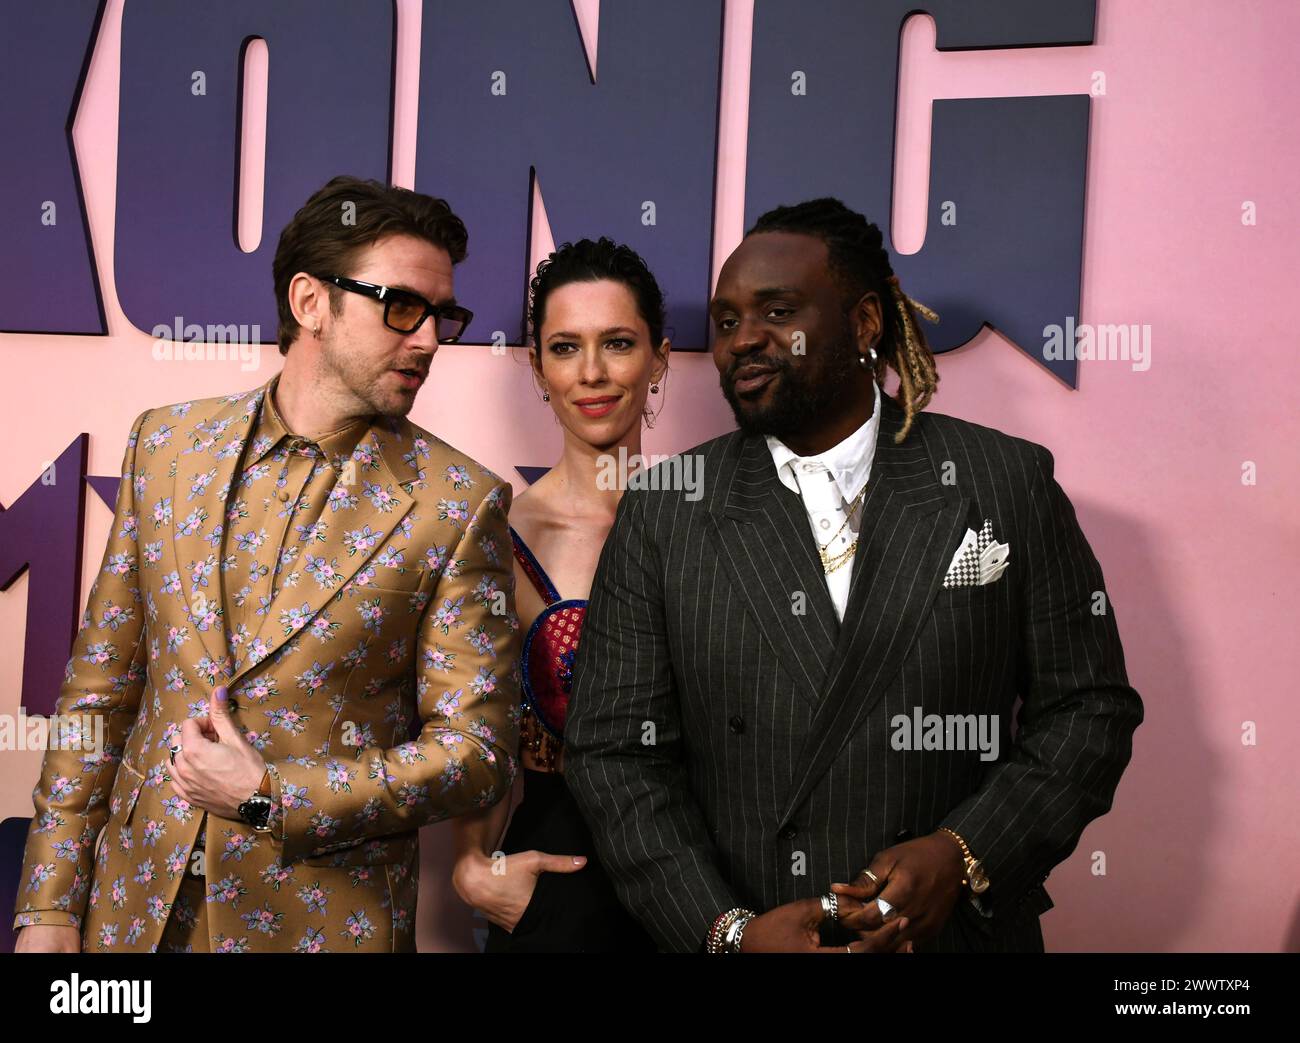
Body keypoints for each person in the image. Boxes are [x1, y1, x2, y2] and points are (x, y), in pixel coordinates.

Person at [565, 197, 1144, 953]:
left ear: (866, 323)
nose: (744, 341)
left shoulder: (1003, 480)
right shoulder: (667, 512)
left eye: (777, 310)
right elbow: (614, 752)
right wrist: (731, 934)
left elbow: (1089, 709)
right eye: (729, 320)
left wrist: (964, 853)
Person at [13, 175, 520, 952]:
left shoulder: (457, 503)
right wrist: (48, 908)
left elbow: (476, 754)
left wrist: (271, 795)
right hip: (130, 918)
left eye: (441, 316)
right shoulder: (168, 447)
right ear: (311, 301)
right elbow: (99, 694)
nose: (427, 340)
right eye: (402, 307)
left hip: (317, 927)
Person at [451, 239, 667, 952]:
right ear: (538, 368)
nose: (594, 372)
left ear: (659, 359)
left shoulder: (714, 522)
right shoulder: (499, 535)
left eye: (619, 343)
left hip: (701, 884)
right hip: (558, 881)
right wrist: (475, 868)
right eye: (566, 347)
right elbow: (478, 723)